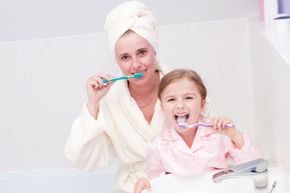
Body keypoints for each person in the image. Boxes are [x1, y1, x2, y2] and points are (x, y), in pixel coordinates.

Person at [64, 1, 212, 193]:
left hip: (183, 182)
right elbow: (81, 159)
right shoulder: (109, 101)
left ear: (154, 51)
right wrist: (93, 103)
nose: (136, 65)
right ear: (117, 60)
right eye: (125, 57)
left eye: (142, 53)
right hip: (134, 187)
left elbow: (209, 144)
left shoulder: (184, 89)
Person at [134, 69, 263, 193]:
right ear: (162, 108)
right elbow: (158, 185)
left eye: (188, 98)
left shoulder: (218, 134)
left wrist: (235, 135)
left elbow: (257, 167)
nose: (180, 105)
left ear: (202, 105)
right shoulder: (157, 146)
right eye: (171, 99)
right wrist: (146, 184)